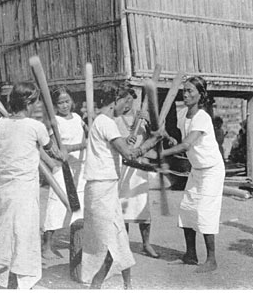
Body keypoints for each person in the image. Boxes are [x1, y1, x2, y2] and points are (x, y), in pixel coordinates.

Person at [81, 81, 162, 289]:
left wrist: (143, 150)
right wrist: (150, 143)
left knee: (119, 238)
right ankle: (96, 284)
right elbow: (128, 153)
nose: (125, 108)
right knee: (108, 241)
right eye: (125, 103)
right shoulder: (105, 122)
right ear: (118, 101)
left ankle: (127, 285)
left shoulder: (104, 122)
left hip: (106, 187)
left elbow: (125, 155)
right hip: (100, 189)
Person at [0, 82, 64, 289]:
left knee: (6, 233)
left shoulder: (2, 123)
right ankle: (24, 283)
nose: (37, 105)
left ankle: (1, 280)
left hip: (5, 188)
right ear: (29, 102)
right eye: (36, 101)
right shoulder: (36, 127)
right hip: (23, 190)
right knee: (26, 234)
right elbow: (52, 151)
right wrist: (61, 154)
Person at [157, 76, 225, 273]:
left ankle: (211, 260)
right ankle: (190, 255)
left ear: (201, 95)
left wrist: (161, 154)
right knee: (187, 209)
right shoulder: (182, 114)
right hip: (197, 169)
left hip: (211, 170)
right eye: (184, 91)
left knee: (205, 212)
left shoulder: (202, 117)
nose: (185, 95)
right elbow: (181, 140)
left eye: (190, 91)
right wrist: (168, 138)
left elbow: (187, 144)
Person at [42, 86, 88, 259]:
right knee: (56, 207)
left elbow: (90, 135)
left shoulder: (78, 118)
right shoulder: (55, 122)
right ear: (55, 105)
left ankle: (78, 242)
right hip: (63, 168)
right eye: (60, 103)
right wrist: (79, 146)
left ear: (72, 102)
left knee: (81, 207)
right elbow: (54, 148)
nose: (64, 106)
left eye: (67, 101)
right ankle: (47, 245)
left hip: (80, 168)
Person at [115, 85, 160, 259]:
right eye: (123, 100)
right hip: (122, 166)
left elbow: (154, 138)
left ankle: (146, 244)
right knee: (123, 207)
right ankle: (124, 244)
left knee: (142, 207)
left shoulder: (141, 119)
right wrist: (125, 140)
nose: (126, 103)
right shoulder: (115, 120)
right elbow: (113, 143)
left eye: (129, 99)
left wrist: (148, 123)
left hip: (139, 167)